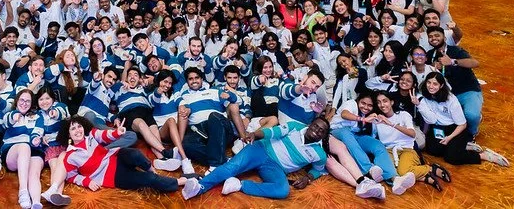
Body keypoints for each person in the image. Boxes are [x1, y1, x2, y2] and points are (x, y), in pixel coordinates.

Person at [182, 118, 333, 200]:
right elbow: (273, 132)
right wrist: (255, 134)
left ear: (324, 135)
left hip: (275, 168)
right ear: (310, 124)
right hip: (261, 149)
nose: (316, 131)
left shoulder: (319, 154)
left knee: (282, 191)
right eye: (315, 126)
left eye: (322, 131)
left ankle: (239, 185)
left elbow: (318, 170)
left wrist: (308, 178)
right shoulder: (295, 126)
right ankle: (199, 187)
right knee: (232, 167)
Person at [59, 115, 187, 193]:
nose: (78, 130)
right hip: (111, 176)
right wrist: (87, 182)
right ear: (68, 134)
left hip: (115, 156)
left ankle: (151, 169)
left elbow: (104, 135)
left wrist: (117, 133)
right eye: (73, 128)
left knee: (136, 154)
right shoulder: (70, 156)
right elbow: (71, 177)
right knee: (148, 179)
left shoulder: (91, 135)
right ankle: (179, 181)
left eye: (79, 126)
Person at [417, 72, 508, 167]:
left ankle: (484, 155)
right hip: (439, 128)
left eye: (435, 84)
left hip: (455, 128)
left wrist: (449, 137)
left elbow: (462, 124)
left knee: (451, 157)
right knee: (432, 150)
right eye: (429, 82)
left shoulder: (450, 99)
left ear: (441, 85)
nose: (431, 86)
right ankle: (464, 146)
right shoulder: (425, 95)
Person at [372, 89, 446, 191]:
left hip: (406, 149)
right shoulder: (377, 120)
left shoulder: (403, 115)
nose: (382, 105)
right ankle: (423, 177)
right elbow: (372, 138)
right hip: (388, 150)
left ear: (391, 102)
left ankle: (430, 168)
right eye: (378, 102)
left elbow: (412, 134)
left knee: (403, 172)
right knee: (390, 172)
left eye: (385, 101)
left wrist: (391, 124)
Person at [177, 67, 246, 174]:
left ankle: (215, 164)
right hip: (198, 130)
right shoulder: (184, 96)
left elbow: (239, 101)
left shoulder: (214, 90)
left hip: (218, 126)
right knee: (186, 145)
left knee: (213, 116)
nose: (194, 81)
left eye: (197, 78)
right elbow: (182, 108)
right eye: (191, 79)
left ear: (202, 79)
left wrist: (230, 95)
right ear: (187, 82)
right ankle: (221, 159)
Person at [425, 27, 483, 137]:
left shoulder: (455, 50)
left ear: (444, 38)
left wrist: (452, 61)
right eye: (430, 37)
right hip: (446, 95)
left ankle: (472, 133)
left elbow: (475, 63)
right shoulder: (429, 55)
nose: (433, 38)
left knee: (471, 115)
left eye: (437, 35)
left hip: (467, 90)